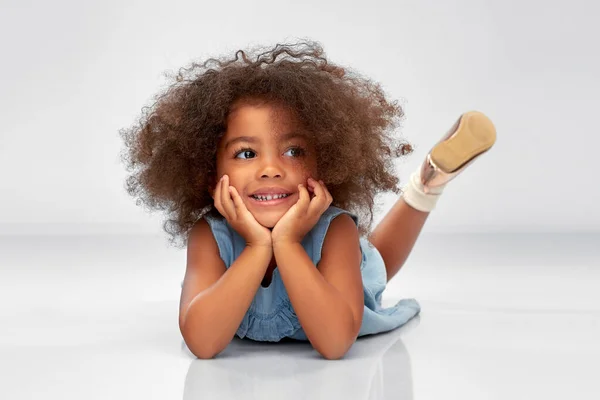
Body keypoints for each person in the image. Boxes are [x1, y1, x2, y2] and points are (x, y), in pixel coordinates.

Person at [119, 41, 496, 360]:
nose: (270, 169)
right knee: (373, 256)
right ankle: (426, 182)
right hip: (263, 242)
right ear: (207, 170)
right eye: (246, 154)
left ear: (327, 161)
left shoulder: (336, 232)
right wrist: (255, 247)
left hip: (340, 272)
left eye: (294, 151)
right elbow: (202, 342)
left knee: (375, 262)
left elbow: (334, 343)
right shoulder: (208, 236)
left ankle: (426, 183)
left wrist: (285, 243)